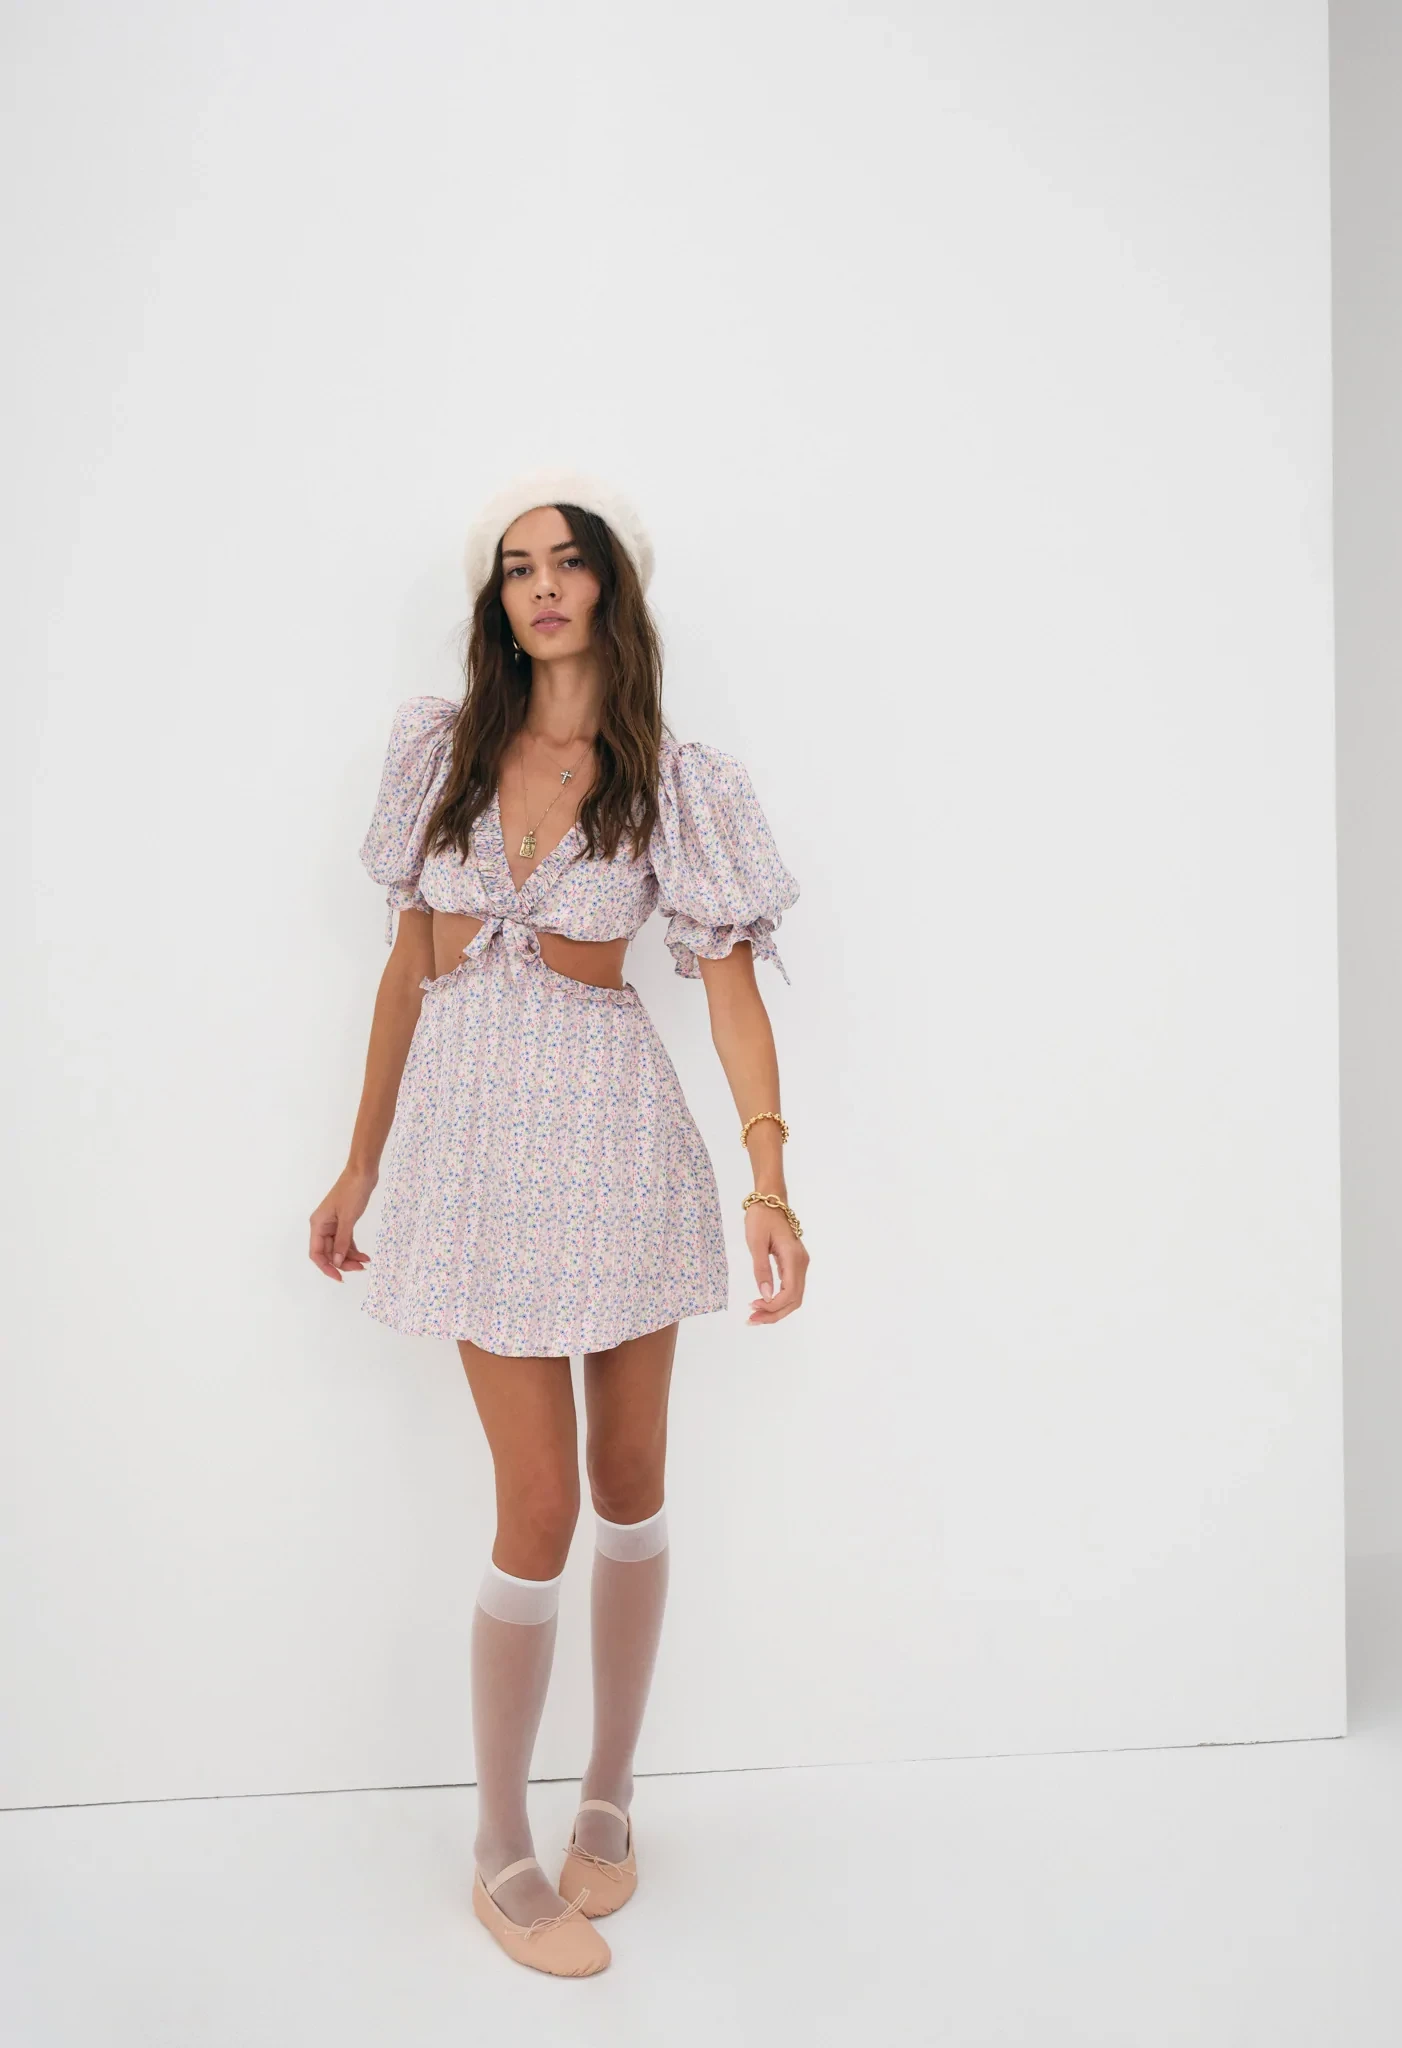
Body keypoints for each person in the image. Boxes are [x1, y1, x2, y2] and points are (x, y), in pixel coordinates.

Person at [308, 470, 807, 1979]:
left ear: (609, 587)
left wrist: (769, 1178)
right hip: (474, 1166)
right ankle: (497, 1845)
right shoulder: (442, 756)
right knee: (536, 1507)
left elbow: (730, 995)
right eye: (517, 565)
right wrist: (358, 1167)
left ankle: (610, 1794)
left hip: (617, 1152)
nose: (541, 584)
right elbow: (406, 976)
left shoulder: (674, 781)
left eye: (568, 561)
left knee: (629, 1482)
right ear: (497, 599)